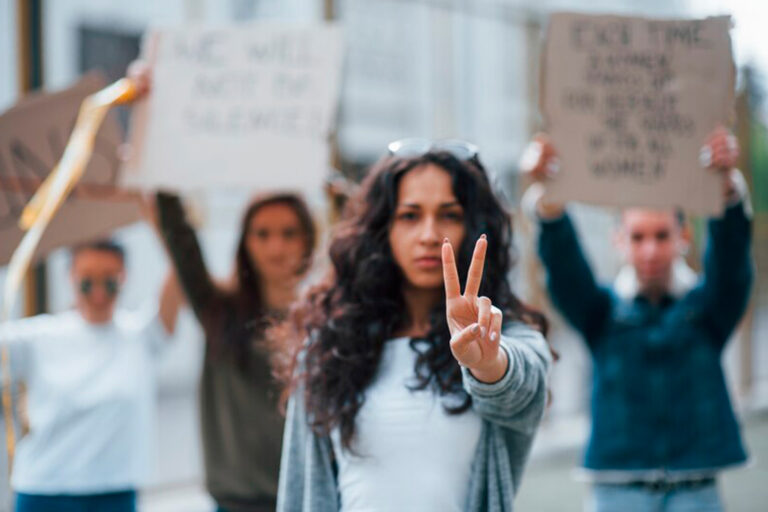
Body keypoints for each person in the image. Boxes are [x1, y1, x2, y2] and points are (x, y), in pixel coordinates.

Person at [276, 140, 553, 512]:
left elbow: (524, 383)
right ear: (382, 229)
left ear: (473, 227)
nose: (428, 234)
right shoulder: (329, 346)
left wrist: (487, 364)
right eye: (409, 215)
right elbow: (298, 492)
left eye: (448, 214)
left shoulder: (502, 335)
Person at [521, 127, 753, 512]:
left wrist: (726, 186)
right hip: (617, 490)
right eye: (638, 236)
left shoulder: (708, 309)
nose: (650, 249)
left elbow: (731, 264)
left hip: (696, 488)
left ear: (683, 236)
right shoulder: (602, 313)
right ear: (618, 240)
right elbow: (564, 269)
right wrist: (549, 199)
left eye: (661, 235)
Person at [0, 239, 182, 512]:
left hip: (114, 491)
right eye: (87, 282)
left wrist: (165, 224)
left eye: (109, 282)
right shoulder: (40, 337)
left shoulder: (141, 335)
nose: (98, 294)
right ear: (71, 278)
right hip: (44, 490)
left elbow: (180, 273)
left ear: (124, 278)